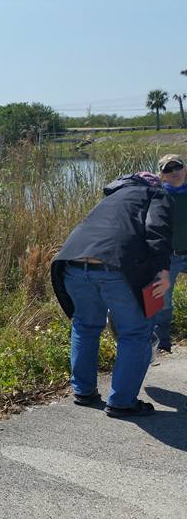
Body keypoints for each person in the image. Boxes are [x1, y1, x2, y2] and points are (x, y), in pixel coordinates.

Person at [51, 171, 172, 418]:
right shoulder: (156, 193)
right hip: (113, 267)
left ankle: (83, 391)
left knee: (85, 326)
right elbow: (156, 230)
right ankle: (122, 402)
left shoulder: (110, 198)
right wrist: (163, 271)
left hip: (71, 264)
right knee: (135, 333)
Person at [152, 154, 187, 353]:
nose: (174, 172)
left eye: (177, 167)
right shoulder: (157, 196)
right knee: (163, 302)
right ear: (162, 176)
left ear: (185, 170)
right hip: (169, 257)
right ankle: (162, 343)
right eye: (168, 170)